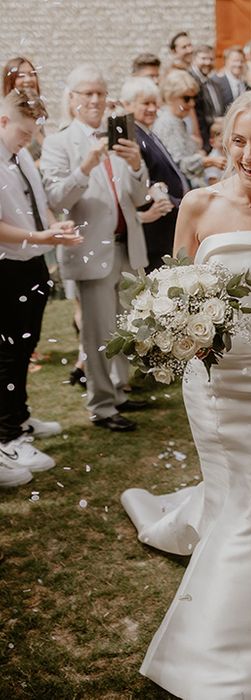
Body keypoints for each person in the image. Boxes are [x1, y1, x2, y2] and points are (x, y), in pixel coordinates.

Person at [121, 89, 251, 699]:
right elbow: (170, 286)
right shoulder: (199, 206)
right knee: (231, 491)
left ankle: (239, 650)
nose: (249, 153)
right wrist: (169, 331)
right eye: (239, 140)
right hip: (208, 382)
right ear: (224, 141)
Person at [39, 65, 150, 432]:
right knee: (98, 334)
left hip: (126, 245)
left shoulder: (120, 134)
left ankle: (119, 389)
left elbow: (138, 197)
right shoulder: (59, 143)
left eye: (100, 92)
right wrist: (85, 167)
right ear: (71, 100)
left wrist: (136, 167)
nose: (95, 99)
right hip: (91, 250)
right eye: (86, 93)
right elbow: (55, 198)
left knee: (124, 327)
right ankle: (102, 406)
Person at [0, 90, 81, 488]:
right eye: (23, 132)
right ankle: (6, 435)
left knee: (25, 347)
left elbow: (40, 202)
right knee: (7, 352)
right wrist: (40, 236)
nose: (28, 139)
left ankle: (20, 417)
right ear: (3, 122)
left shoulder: (22, 157)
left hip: (32, 262)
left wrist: (55, 226)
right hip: (7, 267)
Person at [121, 77, 187, 272]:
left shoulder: (146, 131)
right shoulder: (131, 134)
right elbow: (142, 179)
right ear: (128, 105)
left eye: (154, 103)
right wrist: (175, 202)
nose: (152, 108)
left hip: (166, 223)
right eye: (145, 103)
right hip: (154, 224)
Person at [153, 70, 225, 189]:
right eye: (186, 98)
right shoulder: (168, 123)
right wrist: (208, 161)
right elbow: (178, 163)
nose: (191, 103)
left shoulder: (177, 120)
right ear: (171, 97)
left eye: (194, 98)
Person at [2, 57, 46, 161]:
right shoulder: (6, 116)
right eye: (21, 76)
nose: (28, 79)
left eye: (32, 74)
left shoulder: (36, 116)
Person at [188, 44, 224, 152]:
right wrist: (215, 120)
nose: (208, 62)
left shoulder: (214, 83)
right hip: (200, 141)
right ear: (194, 59)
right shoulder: (189, 81)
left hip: (216, 141)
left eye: (211, 59)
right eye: (203, 58)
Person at [210, 46, 247, 113]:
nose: (239, 64)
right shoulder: (216, 82)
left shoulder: (245, 83)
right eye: (235, 61)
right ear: (226, 61)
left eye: (242, 61)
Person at [204, 117, 225, 184]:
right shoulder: (213, 159)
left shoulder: (229, 155)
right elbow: (212, 181)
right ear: (212, 142)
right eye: (221, 141)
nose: (225, 145)